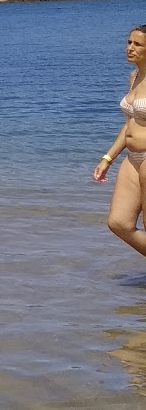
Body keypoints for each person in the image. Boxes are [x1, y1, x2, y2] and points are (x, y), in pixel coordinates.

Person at [96, 25, 146, 257]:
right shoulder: (134, 77)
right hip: (132, 159)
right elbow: (130, 124)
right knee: (119, 223)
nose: (130, 48)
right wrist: (108, 158)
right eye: (129, 43)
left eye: (138, 45)